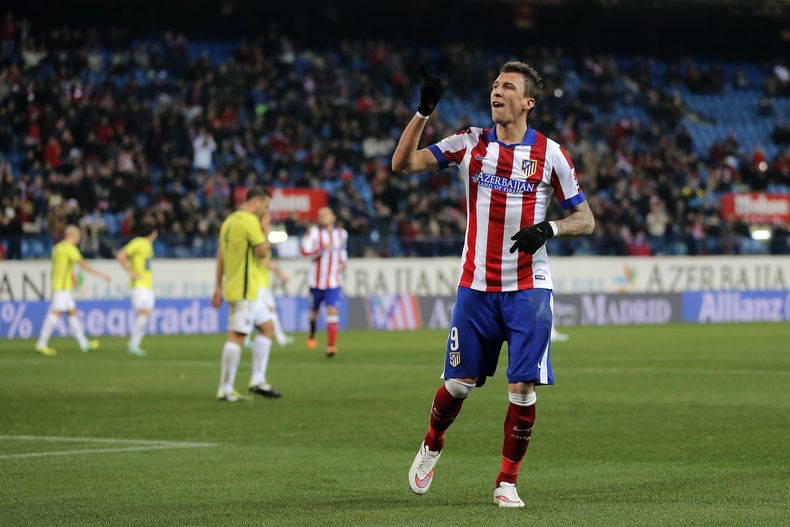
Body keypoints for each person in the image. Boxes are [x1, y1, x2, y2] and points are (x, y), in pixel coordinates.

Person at [391, 62, 595, 507]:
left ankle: (507, 481)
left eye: (508, 87)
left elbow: (586, 218)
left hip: (529, 287)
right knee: (459, 383)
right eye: (495, 85)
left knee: (522, 389)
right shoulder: (470, 143)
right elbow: (403, 164)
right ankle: (431, 444)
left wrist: (550, 230)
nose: (496, 92)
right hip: (477, 285)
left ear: (528, 102)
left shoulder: (551, 154)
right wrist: (423, 113)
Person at [211, 187, 278, 402]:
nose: (265, 211)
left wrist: (218, 286)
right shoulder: (249, 221)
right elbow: (262, 251)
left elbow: (220, 256)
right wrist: (266, 230)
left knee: (267, 327)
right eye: (265, 206)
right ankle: (225, 388)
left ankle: (257, 380)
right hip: (244, 289)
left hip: (243, 288)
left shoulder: (229, 221)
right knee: (237, 335)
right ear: (257, 202)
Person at [35, 225, 111, 356]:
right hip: (62, 288)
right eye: (78, 237)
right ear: (72, 236)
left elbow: (67, 268)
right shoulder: (69, 248)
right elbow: (82, 264)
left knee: (72, 313)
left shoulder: (57, 248)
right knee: (56, 314)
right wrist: (101, 275)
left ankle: (83, 343)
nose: (79, 239)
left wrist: (75, 284)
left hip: (60, 285)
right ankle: (41, 343)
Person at [300, 207, 348, 358]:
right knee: (314, 313)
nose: (322, 217)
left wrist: (343, 262)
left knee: (332, 310)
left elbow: (343, 251)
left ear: (333, 217)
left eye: (325, 214)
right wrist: (320, 249)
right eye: (320, 215)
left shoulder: (342, 234)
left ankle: (331, 346)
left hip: (333, 282)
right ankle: (312, 334)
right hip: (316, 282)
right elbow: (304, 252)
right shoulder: (313, 233)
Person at [115, 223, 158, 357]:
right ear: (153, 233)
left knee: (145, 315)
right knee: (143, 313)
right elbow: (121, 255)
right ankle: (133, 344)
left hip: (147, 286)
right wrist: (130, 272)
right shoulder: (138, 242)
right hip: (139, 285)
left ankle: (134, 343)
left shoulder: (148, 246)